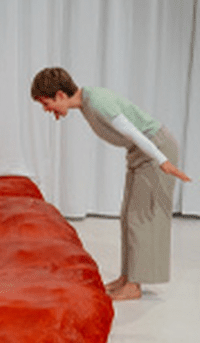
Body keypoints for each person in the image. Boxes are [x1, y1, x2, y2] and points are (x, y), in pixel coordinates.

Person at [31, 67, 191, 301]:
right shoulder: (87, 103)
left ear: (61, 95)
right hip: (140, 153)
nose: (46, 109)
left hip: (153, 150)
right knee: (128, 215)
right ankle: (127, 277)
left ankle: (134, 285)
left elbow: (134, 133)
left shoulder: (97, 103)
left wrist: (163, 161)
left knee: (140, 217)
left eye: (46, 104)